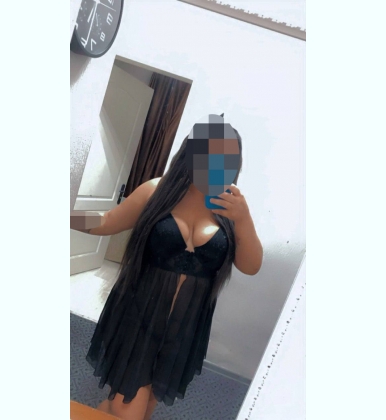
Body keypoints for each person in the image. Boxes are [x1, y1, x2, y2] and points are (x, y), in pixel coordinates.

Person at [70, 123, 263, 420]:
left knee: (143, 405)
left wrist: (243, 218)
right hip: (139, 317)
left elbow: (250, 266)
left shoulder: (230, 208)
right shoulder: (156, 191)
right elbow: (106, 221)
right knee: (128, 409)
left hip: (185, 329)